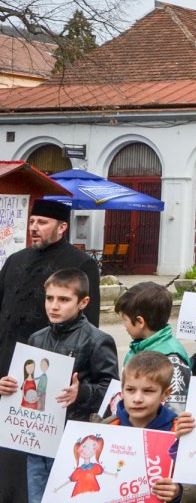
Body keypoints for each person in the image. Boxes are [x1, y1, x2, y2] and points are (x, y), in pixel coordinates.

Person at [0, 196, 102, 503]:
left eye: (42, 223)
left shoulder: (81, 264)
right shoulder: (15, 260)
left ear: (62, 227)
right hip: (8, 369)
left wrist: (77, 376)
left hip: (53, 375)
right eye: (32, 222)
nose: (34, 228)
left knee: (36, 457)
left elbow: (90, 324)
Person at [3, 269, 118, 501]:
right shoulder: (37, 338)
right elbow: (30, 384)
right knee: (36, 498)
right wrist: (10, 387)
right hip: (37, 439)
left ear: (83, 302)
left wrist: (81, 392)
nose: (54, 306)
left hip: (73, 442)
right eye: (50, 298)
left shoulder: (97, 340)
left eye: (64, 300)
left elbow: (112, 391)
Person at [100, 351, 191, 502]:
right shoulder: (107, 428)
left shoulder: (179, 432)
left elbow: (195, 485)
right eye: (130, 390)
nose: (137, 399)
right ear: (122, 390)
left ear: (165, 393)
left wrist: (178, 491)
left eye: (148, 391)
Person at [115, 282, 192, 410]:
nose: (124, 325)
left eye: (125, 319)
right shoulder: (138, 347)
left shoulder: (171, 359)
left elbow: (175, 410)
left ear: (140, 321)